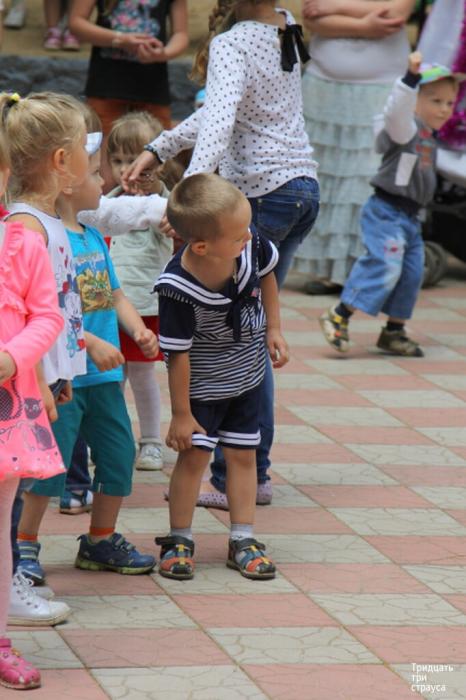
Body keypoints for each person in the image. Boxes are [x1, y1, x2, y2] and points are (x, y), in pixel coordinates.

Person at [123, 0, 319, 508]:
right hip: (301, 190)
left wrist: (189, 200)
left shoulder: (235, 41)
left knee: (240, 336)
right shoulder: (283, 23)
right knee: (251, 328)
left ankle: (243, 473)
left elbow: (220, 120)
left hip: (259, 195)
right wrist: (161, 147)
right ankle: (248, 470)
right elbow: (219, 112)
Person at [17, 133, 159, 584]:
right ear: (66, 181)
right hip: (65, 377)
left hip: (104, 378)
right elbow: (49, 310)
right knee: (49, 466)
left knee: (118, 455)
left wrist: (136, 328)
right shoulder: (47, 238)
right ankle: (24, 545)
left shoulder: (94, 237)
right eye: (96, 173)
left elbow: (113, 294)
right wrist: (89, 343)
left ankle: (100, 539)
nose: (104, 181)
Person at [153, 173, 289, 580]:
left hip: (247, 378)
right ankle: (179, 538)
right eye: (238, 234)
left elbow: (268, 275)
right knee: (193, 458)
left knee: (244, 456)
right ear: (201, 246)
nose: (249, 236)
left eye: (248, 227)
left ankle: (243, 538)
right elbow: (177, 356)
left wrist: (274, 329)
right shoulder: (178, 288)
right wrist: (181, 414)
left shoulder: (250, 244)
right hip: (202, 388)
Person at [2, 92, 89, 625]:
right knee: (15, 489)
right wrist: (37, 376)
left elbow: (56, 309)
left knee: (20, 485)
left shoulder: (46, 222)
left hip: (40, 376)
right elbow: (21, 316)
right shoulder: (26, 226)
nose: (88, 158)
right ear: (61, 159)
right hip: (23, 382)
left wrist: (62, 372)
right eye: (83, 148)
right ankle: (13, 582)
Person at [320, 53, 460, 356]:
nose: (444, 109)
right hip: (386, 212)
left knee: (412, 273)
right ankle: (339, 314)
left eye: (449, 103)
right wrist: (409, 79)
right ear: (415, 101)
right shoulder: (406, 129)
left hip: (410, 218)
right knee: (385, 264)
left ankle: (393, 331)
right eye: (435, 100)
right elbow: (396, 111)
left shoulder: (430, 136)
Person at [0, 126, 65, 690]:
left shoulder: (23, 245)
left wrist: (13, 357)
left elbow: (47, 316)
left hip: (7, 410)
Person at [294, 0, 416, 294]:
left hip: (382, 86)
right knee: (326, 178)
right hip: (325, 86)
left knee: (367, 178)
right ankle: (329, 271)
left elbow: (395, 14)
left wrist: (334, 6)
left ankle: (371, 268)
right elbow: (312, 18)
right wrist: (365, 24)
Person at [106, 111, 173, 470]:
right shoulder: (107, 202)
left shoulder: (165, 205)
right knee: (111, 377)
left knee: (143, 376)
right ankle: (113, 440)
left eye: (133, 161)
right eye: (117, 160)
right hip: (109, 308)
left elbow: (175, 225)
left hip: (147, 307)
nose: (125, 170)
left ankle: (150, 442)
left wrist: (158, 198)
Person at [69, 0, 188, 186]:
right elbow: (76, 22)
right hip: (106, 83)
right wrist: (118, 39)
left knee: (160, 160)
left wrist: (163, 54)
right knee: (103, 166)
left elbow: (181, 33)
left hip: (152, 83)